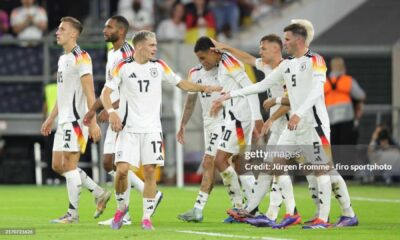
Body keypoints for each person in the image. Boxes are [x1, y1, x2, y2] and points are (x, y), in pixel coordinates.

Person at [212, 20, 347, 229]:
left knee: (322, 171)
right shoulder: (287, 64)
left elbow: (317, 90)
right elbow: (262, 85)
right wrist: (229, 94)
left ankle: (326, 217)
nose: (285, 43)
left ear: (299, 40)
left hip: (314, 124)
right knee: (275, 165)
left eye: (287, 39)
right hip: (294, 128)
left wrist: (295, 112)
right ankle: (287, 212)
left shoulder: (316, 60)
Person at [101, 30, 221, 230]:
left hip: (152, 129)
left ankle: (146, 217)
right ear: (139, 46)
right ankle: (121, 208)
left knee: (150, 172)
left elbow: (180, 82)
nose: (155, 48)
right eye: (151, 45)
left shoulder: (159, 66)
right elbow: (106, 93)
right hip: (128, 128)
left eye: (155, 44)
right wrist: (112, 112)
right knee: (121, 171)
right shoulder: (122, 67)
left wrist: (205, 88)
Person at [83, 16, 163, 226]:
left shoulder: (129, 54)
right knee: (110, 163)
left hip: (126, 118)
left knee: (119, 165)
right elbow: (112, 86)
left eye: (108, 27)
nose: (104, 30)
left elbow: (132, 88)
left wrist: (111, 109)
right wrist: (96, 111)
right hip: (115, 113)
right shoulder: (112, 53)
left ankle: (128, 212)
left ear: (121, 30)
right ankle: (150, 195)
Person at [211, 34, 292, 226]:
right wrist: (226, 47)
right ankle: (253, 211)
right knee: (270, 169)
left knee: (314, 172)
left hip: (293, 125)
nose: (260, 51)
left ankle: (288, 212)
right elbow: (246, 57)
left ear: (275, 49)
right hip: (279, 125)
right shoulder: (266, 66)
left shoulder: (288, 70)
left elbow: (293, 101)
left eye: (263, 48)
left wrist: (270, 117)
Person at [40, 17, 110, 224]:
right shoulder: (63, 59)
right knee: (57, 165)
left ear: (73, 34)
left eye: (62, 29)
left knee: (69, 165)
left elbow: (90, 92)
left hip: (77, 121)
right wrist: (51, 118)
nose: (57, 32)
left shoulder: (82, 57)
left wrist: (93, 121)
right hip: (63, 120)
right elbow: (63, 94)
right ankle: (98, 192)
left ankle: (73, 214)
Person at [193, 36, 263, 221]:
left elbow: (250, 88)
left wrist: (257, 118)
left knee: (220, 159)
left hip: (241, 119)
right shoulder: (223, 64)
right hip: (233, 116)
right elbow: (232, 89)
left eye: (203, 57)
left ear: (213, 51)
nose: (202, 62)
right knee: (239, 163)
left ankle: (250, 207)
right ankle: (249, 208)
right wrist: (220, 102)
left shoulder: (231, 62)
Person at [176, 56, 224, 223]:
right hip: (208, 124)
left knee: (212, 163)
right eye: (200, 58)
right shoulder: (195, 72)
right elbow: (190, 102)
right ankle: (243, 207)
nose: (204, 61)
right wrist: (182, 124)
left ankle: (199, 209)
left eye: (206, 57)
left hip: (225, 122)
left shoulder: (225, 69)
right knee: (218, 165)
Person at [324, 56, 366, 145]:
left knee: (333, 148)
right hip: (346, 117)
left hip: (330, 118)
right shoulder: (348, 80)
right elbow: (361, 96)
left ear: (331, 67)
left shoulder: (324, 82)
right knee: (346, 147)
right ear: (343, 67)